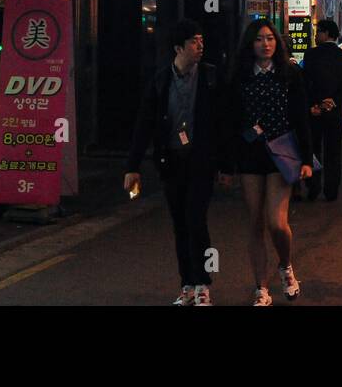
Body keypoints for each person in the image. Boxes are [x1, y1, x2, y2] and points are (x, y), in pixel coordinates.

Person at [124, 19, 224, 306]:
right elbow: (144, 124)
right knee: (180, 223)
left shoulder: (210, 77)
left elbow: (223, 122)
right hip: (172, 161)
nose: (200, 45)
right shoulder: (161, 81)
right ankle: (187, 284)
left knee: (196, 219)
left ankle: (203, 283)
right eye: (194, 41)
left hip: (201, 162)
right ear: (178, 48)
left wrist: (226, 164)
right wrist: (132, 166)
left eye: (201, 40)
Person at [220, 19, 314, 305]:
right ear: (250, 43)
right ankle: (260, 287)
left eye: (270, 38)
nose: (266, 44)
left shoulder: (289, 74)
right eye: (260, 39)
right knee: (255, 223)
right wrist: (226, 164)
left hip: (281, 153)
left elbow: (301, 117)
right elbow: (229, 121)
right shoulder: (239, 76)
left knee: (276, 222)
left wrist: (307, 159)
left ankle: (285, 265)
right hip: (250, 154)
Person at [301, 19, 342, 202]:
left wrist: (315, 103)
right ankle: (331, 190)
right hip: (335, 111)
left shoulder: (311, 55)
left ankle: (313, 186)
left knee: (313, 149)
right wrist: (334, 100)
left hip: (314, 110)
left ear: (326, 34)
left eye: (318, 32)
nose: (316, 36)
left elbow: (306, 82)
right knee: (333, 151)